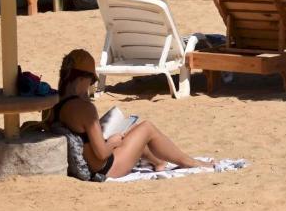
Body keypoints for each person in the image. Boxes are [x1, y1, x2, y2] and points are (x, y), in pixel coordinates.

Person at [49, 49, 208, 179]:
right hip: (106, 169)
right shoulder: (85, 109)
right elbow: (102, 153)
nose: (91, 86)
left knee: (134, 132)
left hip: (88, 165)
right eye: (92, 81)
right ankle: (190, 162)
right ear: (83, 78)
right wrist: (112, 141)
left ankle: (159, 162)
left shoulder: (54, 103)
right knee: (146, 128)